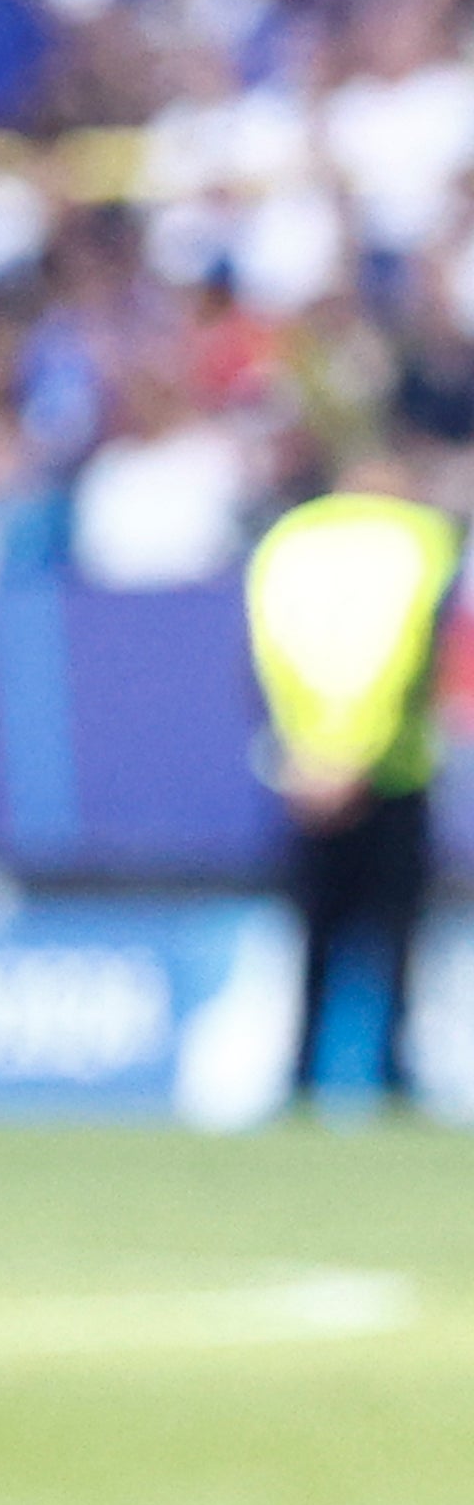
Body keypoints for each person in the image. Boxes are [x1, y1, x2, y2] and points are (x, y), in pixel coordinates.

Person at [245, 472, 458, 1114]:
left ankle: (302, 1080)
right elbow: (398, 655)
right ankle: (391, 1080)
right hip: (391, 771)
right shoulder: (420, 540)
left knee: (316, 934)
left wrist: (307, 753)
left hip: (307, 771)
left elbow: (270, 647)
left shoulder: (291, 540)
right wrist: (357, 754)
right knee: (394, 933)